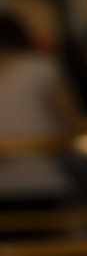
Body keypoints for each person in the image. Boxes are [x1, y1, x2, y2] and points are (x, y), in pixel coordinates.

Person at [0, 14, 78, 202]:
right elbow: (70, 120)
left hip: (40, 176)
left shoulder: (40, 68)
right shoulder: (41, 67)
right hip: (44, 175)